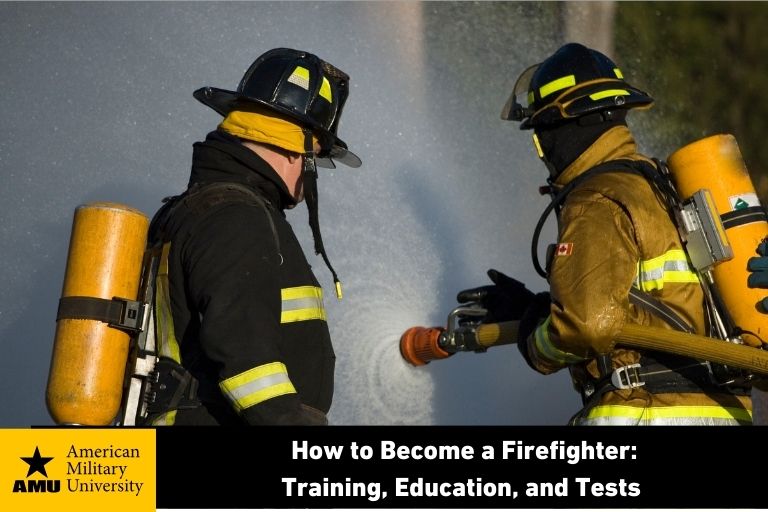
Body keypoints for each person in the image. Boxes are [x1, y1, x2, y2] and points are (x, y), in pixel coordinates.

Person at [462, 42, 752, 425]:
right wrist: (539, 309)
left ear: (558, 126)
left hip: (645, 410)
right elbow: (654, 307)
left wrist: (533, 335)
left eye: (540, 133)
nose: (542, 151)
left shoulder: (596, 197)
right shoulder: (661, 185)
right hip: (724, 411)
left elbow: (586, 327)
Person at [142, 48, 361, 425]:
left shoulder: (207, 208)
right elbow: (246, 360)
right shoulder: (237, 218)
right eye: (315, 158)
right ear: (296, 152)